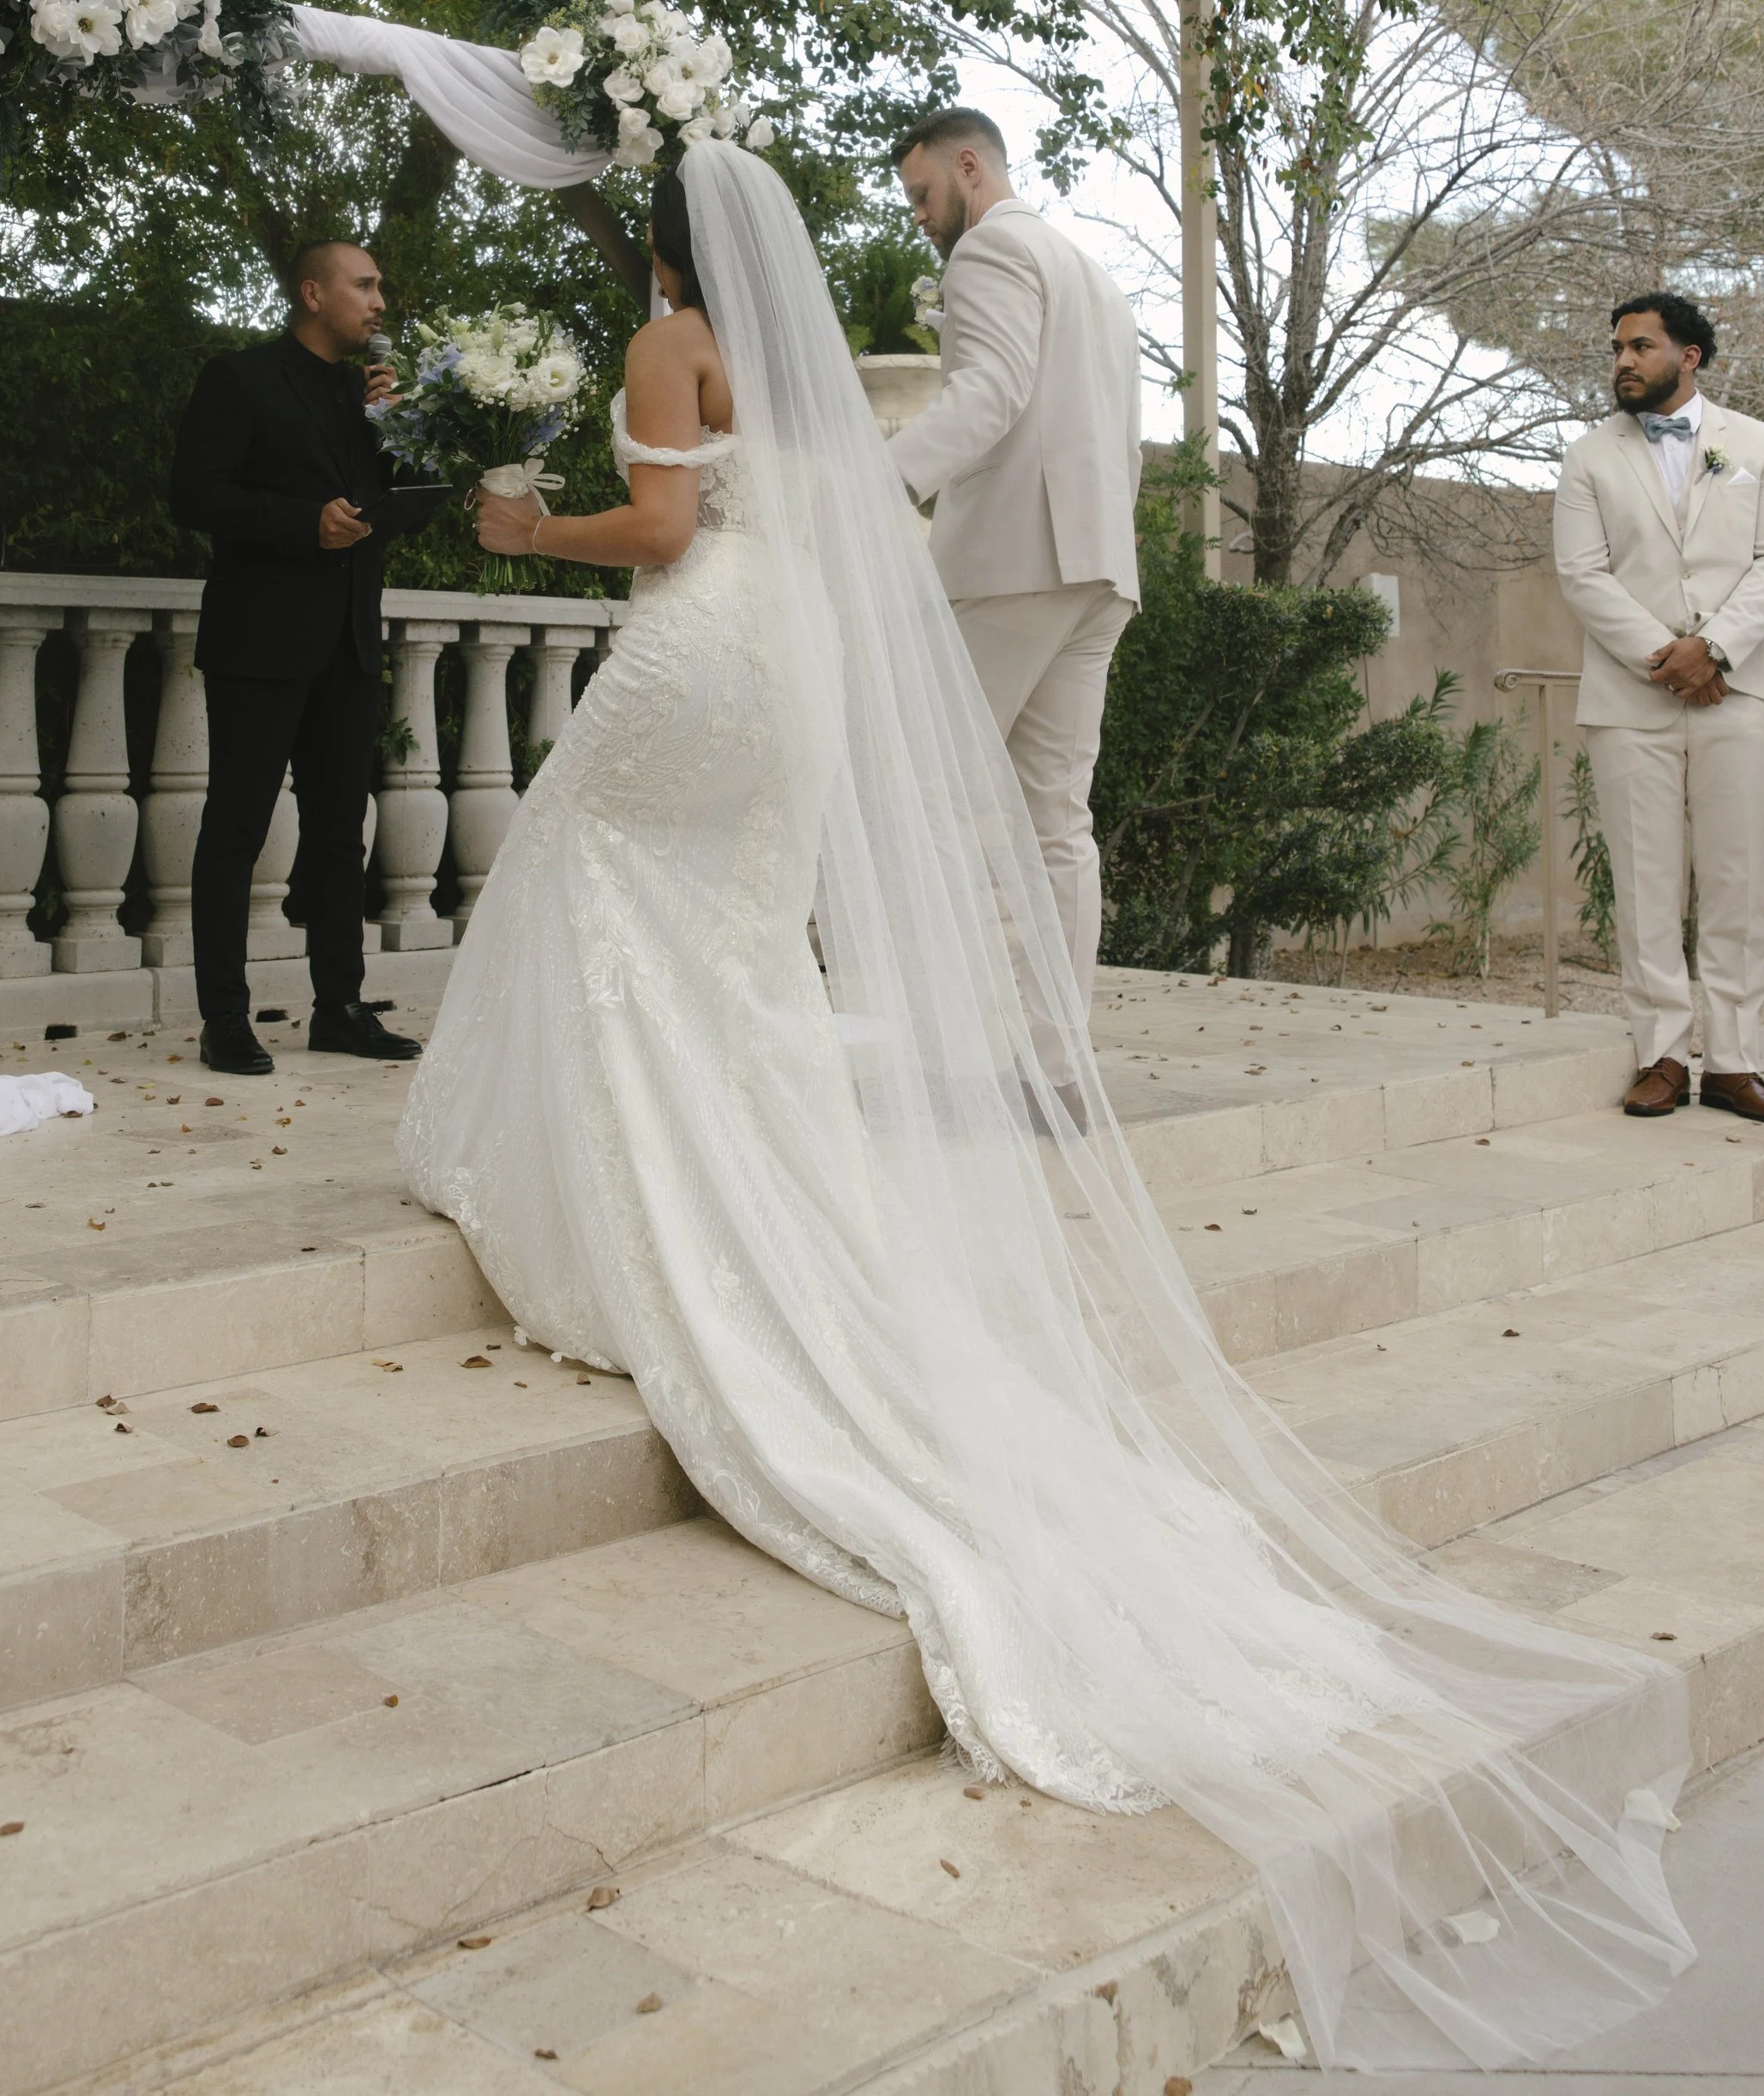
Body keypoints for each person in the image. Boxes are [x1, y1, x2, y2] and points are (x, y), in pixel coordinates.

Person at [401, 143, 1690, 2077]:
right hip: (803, 663)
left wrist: (516, 520)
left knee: (602, 876)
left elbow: (661, 534)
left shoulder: (669, 334)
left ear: (665, 241)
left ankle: (621, 1197)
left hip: (700, 648)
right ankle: (734, 1160)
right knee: (737, 937)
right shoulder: (813, 360)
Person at [171, 241, 447, 1078]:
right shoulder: (241, 378)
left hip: (349, 643)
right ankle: (225, 1018)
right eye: (364, 284)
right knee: (236, 829)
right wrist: (304, 523)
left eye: (380, 284)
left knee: (339, 837)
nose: (379, 300)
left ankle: (341, 1009)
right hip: (259, 640)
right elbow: (193, 495)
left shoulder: (374, 395)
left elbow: (420, 498)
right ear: (312, 292)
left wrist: (404, 427)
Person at [887, 107, 1141, 1014]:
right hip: (1099, 568)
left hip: (1013, 563)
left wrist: (875, 483)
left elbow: (989, 393)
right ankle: (1056, 1062)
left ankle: (937, 1037)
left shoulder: (989, 252)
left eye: (921, 193)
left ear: (969, 166)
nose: (917, 214)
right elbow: (1124, 442)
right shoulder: (1095, 277)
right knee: (1055, 824)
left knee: (928, 795)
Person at [1554, 291, 1764, 1124]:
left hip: (1738, 691)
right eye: (1616, 347)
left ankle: (1734, 1062)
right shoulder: (1588, 456)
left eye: (1639, 346)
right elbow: (1582, 574)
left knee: (1734, 879)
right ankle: (1660, 1053)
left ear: (1688, 356)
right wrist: (1668, 660)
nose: (1622, 360)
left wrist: (1718, 648)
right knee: (1645, 879)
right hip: (1631, 697)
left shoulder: (1758, 446)